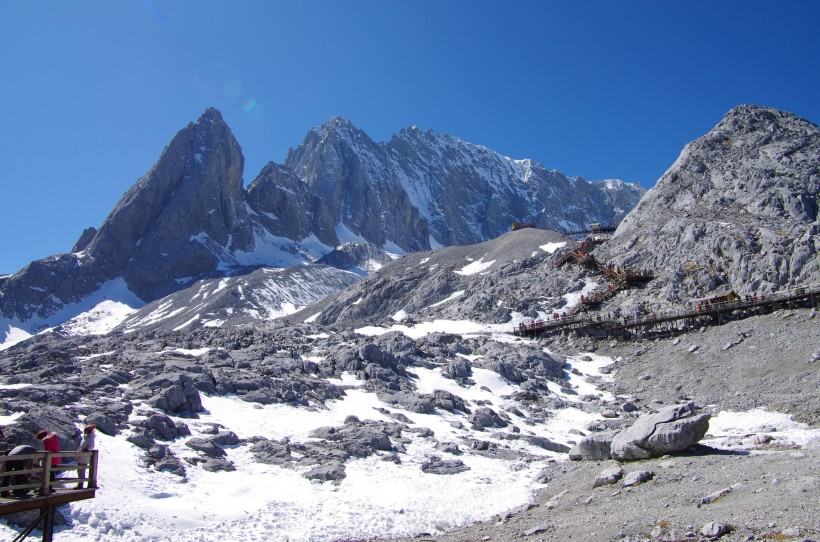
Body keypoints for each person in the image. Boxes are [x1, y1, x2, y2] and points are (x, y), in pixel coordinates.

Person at [75, 424, 96, 489]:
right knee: (79, 470)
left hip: (84, 457)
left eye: (86, 430)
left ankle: (80, 484)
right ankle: (80, 483)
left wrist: (86, 450)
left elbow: (91, 446)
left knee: (81, 470)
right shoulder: (86, 437)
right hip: (81, 456)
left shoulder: (90, 438)